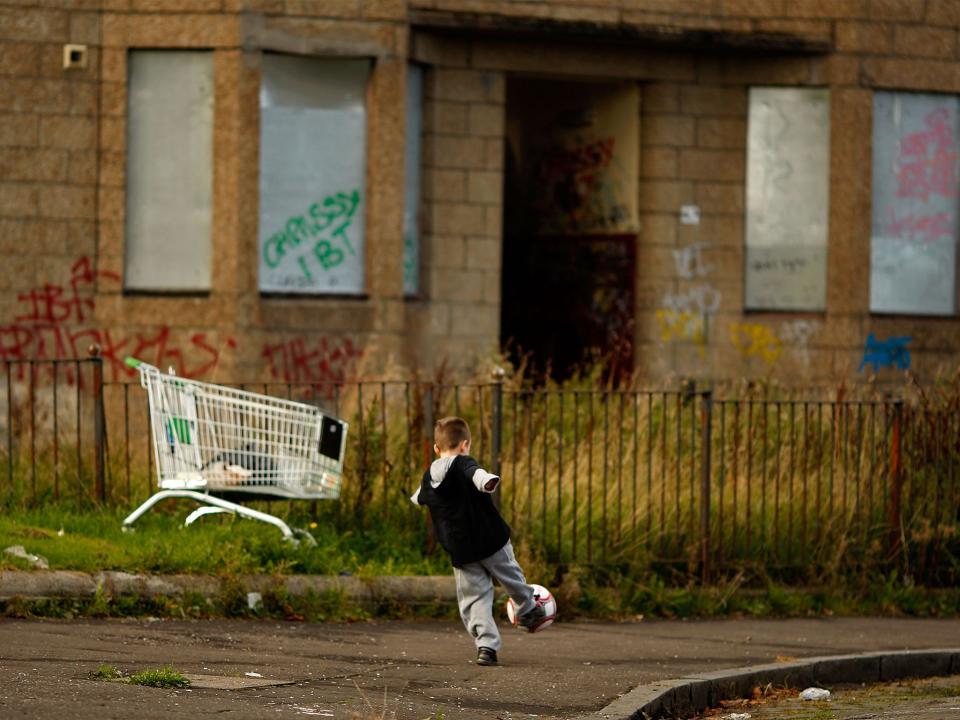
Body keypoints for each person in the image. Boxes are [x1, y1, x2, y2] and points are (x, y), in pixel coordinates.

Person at [411, 416, 545, 666]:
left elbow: (420, 496)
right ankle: (528, 608)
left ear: (436, 449)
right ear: (464, 444)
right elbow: (477, 475)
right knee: (511, 576)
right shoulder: (464, 463)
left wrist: (420, 498)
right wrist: (488, 481)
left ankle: (486, 647)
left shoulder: (429, 475)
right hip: (490, 540)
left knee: (475, 598)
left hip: (461, 549)